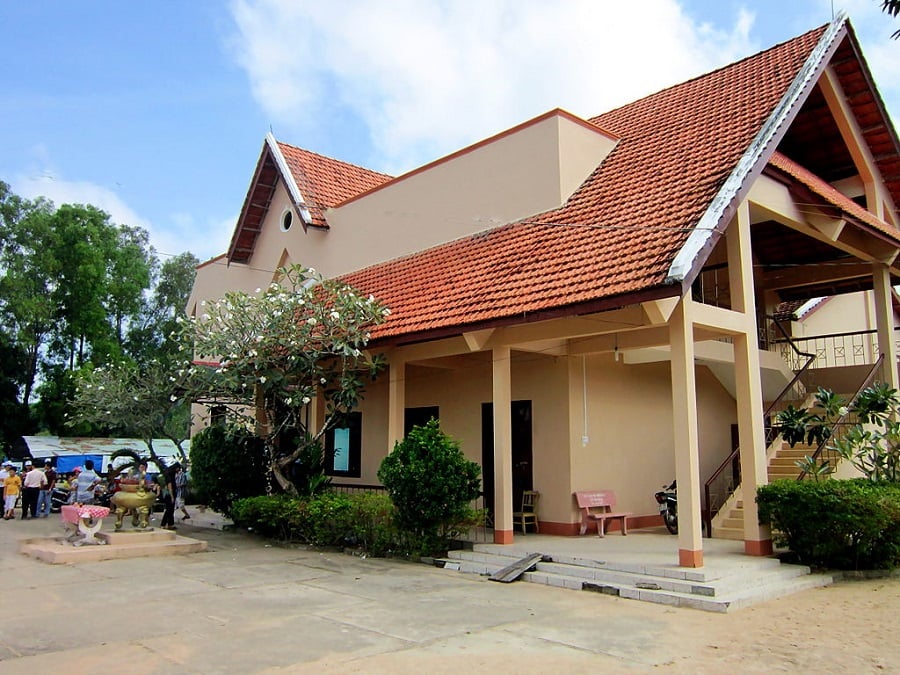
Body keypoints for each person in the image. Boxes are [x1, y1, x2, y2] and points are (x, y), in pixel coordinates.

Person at [159, 463, 178, 530]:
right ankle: (163, 524)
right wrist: (172, 496)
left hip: (170, 494)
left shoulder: (170, 475)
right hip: (170, 495)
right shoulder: (169, 476)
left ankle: (170, 524)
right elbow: (170, 487)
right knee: (169, 510)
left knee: (171, 510)